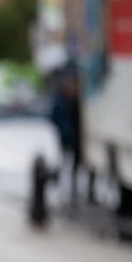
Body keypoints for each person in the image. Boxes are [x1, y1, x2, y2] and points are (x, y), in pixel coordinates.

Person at [48, 68, 83, 204]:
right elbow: (55, 117)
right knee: (63, 161)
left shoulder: (75, 99)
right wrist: (64, 130)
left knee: (75, 162)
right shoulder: (61, 100)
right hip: (65, 137)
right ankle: (62, 185)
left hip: (74, 137)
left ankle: (74, 188)